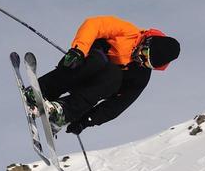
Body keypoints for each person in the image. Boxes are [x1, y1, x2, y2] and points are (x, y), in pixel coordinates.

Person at [33, 16, 181, 136]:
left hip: (89, 92)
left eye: (148, 64)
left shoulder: (140, 77)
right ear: (147, 42)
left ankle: (62, 112)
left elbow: (116, 106)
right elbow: (94, 24)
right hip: (80, 66)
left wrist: (85, 121)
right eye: (145, 55)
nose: (141, 61)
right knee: (101, 63)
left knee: (114, 77)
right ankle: (42, 90)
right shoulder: (128, 32)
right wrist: (79, 50)